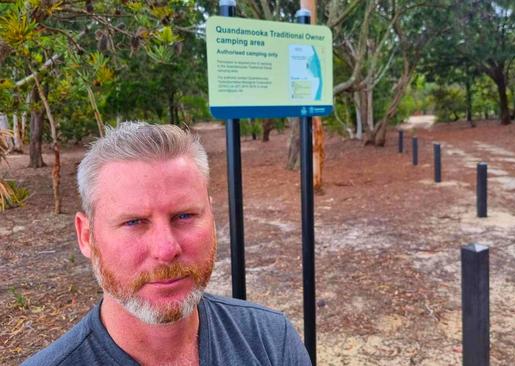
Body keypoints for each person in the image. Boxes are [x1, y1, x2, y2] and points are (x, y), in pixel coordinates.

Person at [23, 122, 311, 366]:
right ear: (87, 236)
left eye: (184, 216)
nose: (166, 249)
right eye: (134, 222)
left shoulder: (270, 340)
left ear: (211, 217)